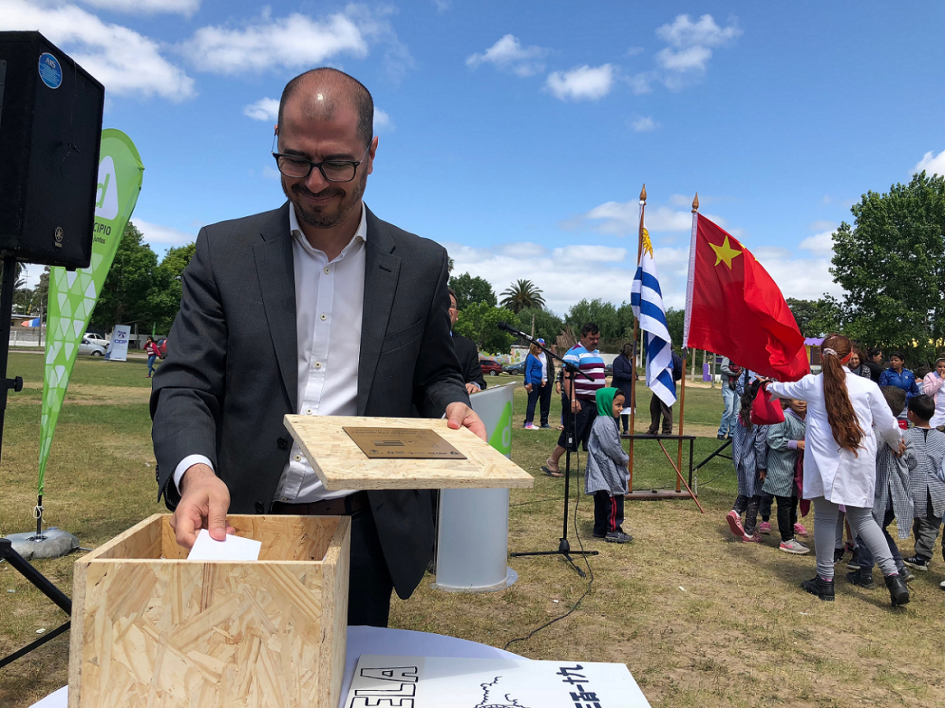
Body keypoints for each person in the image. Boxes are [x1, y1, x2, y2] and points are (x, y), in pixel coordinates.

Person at [150, 67, 485, 628]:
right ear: (276, 144)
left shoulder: (421, 264)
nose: (314, 182)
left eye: (336, 163)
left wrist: (452, 403)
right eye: (295, 160)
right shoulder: (223, 252)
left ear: (372, 153)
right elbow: (186, 380)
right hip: (243, 526)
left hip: (365, 538)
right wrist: (196, 473)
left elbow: (435, 373)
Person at [766, 334, 909, 606]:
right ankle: (893, 576)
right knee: (863, 520)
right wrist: (895, 443)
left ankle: (825, 581)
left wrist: (765, 385)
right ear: (849, 356)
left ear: (822, 356)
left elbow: (781, 389)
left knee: (825, 519)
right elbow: (889, 425)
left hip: (823, 463)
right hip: (858, 459)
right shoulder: (866, 386)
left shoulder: (811, 383)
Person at [847, 386, 915, 588]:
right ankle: (900, 567)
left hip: (878, 494)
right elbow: (913, 462)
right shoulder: (905, 435)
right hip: (899, 496)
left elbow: (863, 460)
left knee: (866, 529)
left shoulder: (872, 435)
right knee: (879, 529)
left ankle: (866, 572)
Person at [540, 323, 605, 478]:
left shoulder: (596, 353)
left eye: (597, 338)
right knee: (573, 433)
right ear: (582, 337)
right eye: (592, 338)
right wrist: (573, 399)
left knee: (593, 436)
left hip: (596, 404)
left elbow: (600, 376)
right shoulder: (574, 353)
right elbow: (568, 378)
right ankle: (553, 461)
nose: (595, 341)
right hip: (580, 402)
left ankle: (593, 468)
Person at [901, 394, 945, 573]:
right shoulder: (942, 438)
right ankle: (921, 553)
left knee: (927, 525)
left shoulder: (905, 436)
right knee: (922, 522)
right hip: (937, 487)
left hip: (918, 487)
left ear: (910, 414)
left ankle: (922, 557)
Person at [585, 387, 632, 543]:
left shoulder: (603, 420)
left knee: (601, 499)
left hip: (601, 468)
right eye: (618, 405)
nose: (620, 408)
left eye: (622, 405)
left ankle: (600, 528)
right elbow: (612, 447)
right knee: (613, 497)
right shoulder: (605, 422)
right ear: (606, 403)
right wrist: (624, 458)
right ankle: (613, 529)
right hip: (606, 469)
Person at [764, 399, 810, 554]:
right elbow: (772, 439)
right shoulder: (783, 417)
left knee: (792, 502)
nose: (801, 402)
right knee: (784, 503)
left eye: (805, 398)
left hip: (796, 469)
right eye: (797, 398)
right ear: (789, 400)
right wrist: (795, 444)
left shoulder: (808, 418)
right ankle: (786, 539)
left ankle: (790, 536)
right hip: (781, 467)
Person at [725, 376, 768, 542]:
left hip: (741, 459)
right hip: (754, 462)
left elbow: (736, 438)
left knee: (746, 491)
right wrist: (763, 466)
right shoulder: (761, 418)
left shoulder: (742, 415)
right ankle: (748, 531)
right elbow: (760, 444)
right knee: (755, 495)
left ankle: (736, 513)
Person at [447, 288, 486, 395]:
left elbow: (478, 380)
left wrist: (474, 385)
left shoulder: (468, 347)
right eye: (443, 304)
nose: (447, 309)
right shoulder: (416, 343)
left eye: (452, 306)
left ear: (456, 315)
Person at [647, 348, 683, 435]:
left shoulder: (674, 357)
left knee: (666, 408)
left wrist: (671, 379)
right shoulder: (661, 356)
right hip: (658, 386)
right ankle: (653, 428)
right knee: (654, 407)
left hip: (668, 387)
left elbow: (680, 372)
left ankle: (667, 430)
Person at [878, 352, 919, 417]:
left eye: (896, 360)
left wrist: (912, 400)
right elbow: (883, 390)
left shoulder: (909, 374)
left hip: (907, 406)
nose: (893, 362)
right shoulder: (886, 374)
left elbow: (915, 390)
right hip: (893, 407)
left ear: (902, 361)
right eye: (891, 360)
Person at [523, 339, 552, 429]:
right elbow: (528, 371)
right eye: (538, 346)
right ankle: (528, 423)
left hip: (539, 382)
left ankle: (542, 422)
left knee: (544, 403)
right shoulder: (531, 357)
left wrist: (542, 380)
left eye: (542, 346)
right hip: (533, 383)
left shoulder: (539, 356)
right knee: (532, 403)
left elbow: (539, 371)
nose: (540, 348)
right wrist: (529, 383)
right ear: (534, 347)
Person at [612, 342, 635, 434]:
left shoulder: (631, 361)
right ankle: (616, 429)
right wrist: (631, 377)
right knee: (618, 409)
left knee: (625, 410)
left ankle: (626, 429)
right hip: (619, 388)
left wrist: (635, 376)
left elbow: (634, 372)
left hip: (628, 389)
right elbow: (618, 374)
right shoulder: (618, 360)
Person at [716, 357, 742, 439]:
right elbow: (723, 367)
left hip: (738, 384)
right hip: (728, 383)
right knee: (729, 410)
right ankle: (721, 432)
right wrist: (734, 374)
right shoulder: (727, 356)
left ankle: (732, 433)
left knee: (736, 411)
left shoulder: (740, 356)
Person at [922, 354, 945, 430]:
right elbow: (927, 392)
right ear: (935, 367)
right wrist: (940, 379)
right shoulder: (929, 376)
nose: (942, 369)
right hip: (935, 412)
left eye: (944, 367)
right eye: (939, 366)